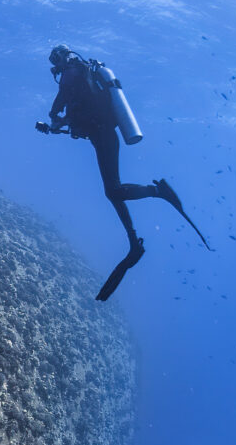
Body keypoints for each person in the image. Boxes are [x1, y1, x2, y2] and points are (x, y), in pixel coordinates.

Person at [44, 44, 188, 301]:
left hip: (104, 137)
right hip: (102, 137)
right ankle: (133, 241)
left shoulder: (71, 73)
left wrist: (54, 115)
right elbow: (79, 111)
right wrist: (61, 123)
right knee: (113, 192)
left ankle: (158, 192)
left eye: (55, 61)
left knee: (113, 190)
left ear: (60, 59)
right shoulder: (83, 74)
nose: (56, 67)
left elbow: (62, 101)